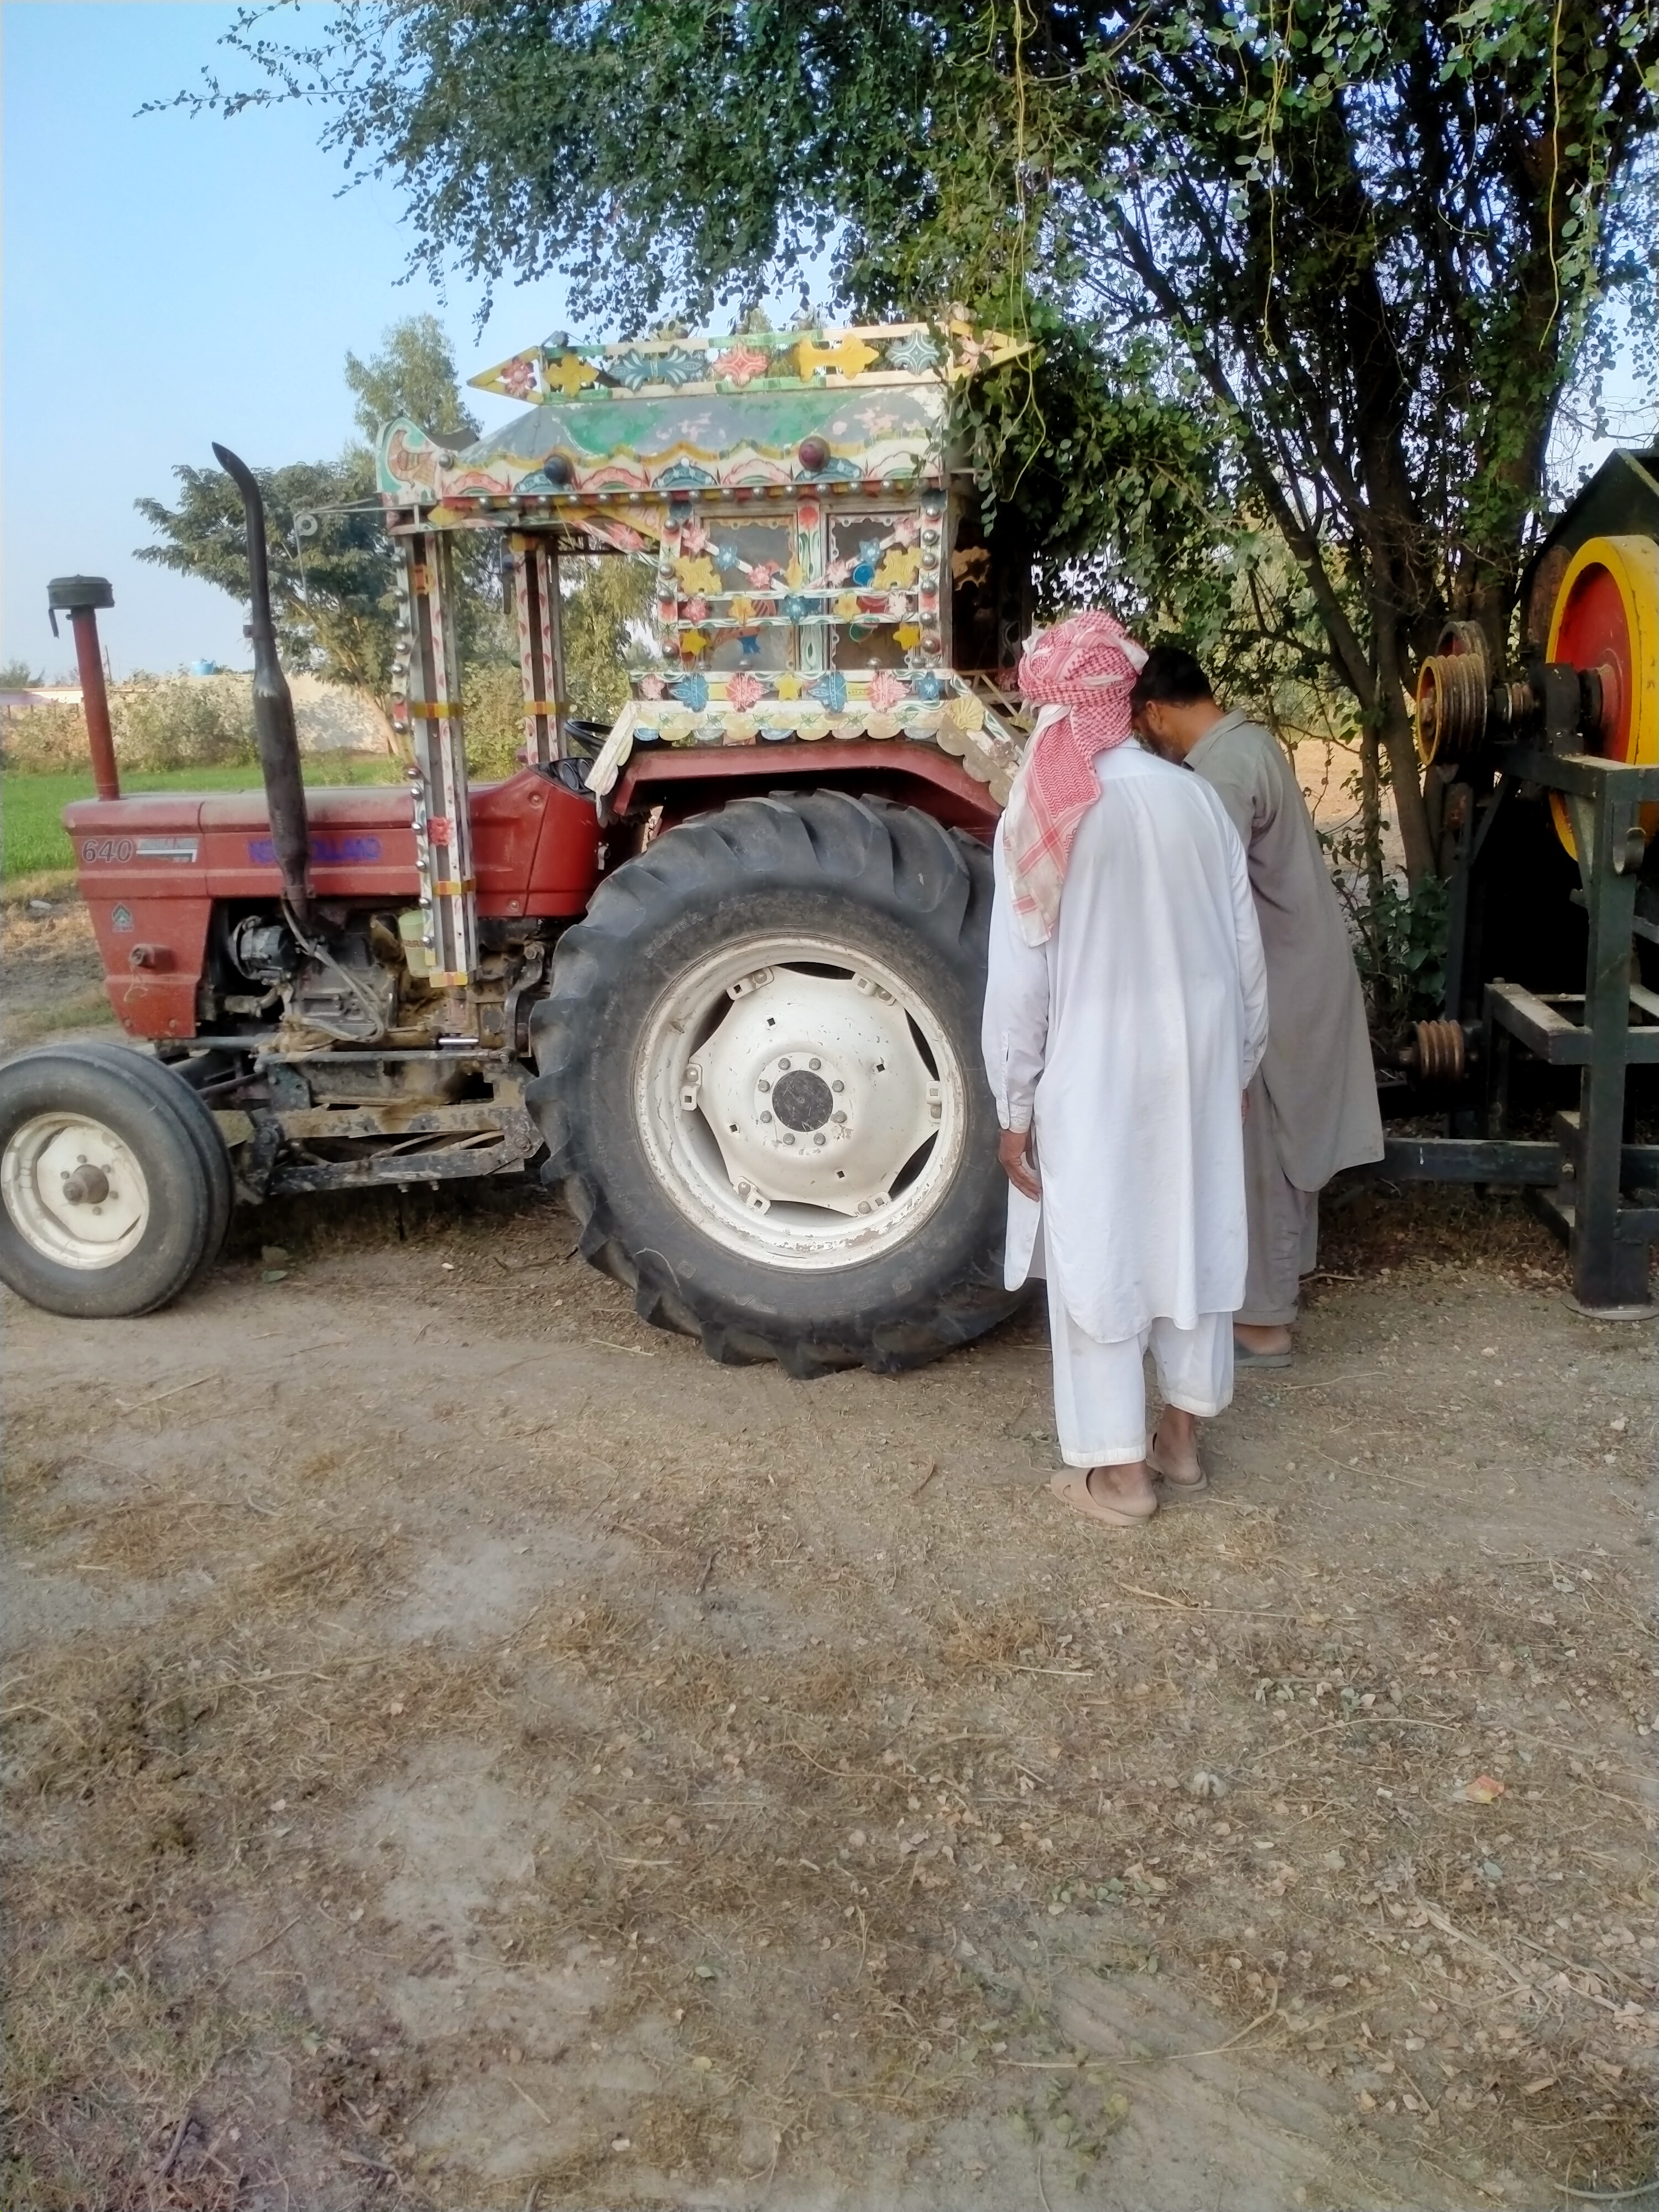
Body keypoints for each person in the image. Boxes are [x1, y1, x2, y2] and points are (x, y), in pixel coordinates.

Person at [983, 612, 1269, 1529]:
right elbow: (1246, 957)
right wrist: (1237, 1069)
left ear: (1059, 708)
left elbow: (1020, 984)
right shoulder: (1196, 800)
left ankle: (1120, 1475)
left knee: (1100, 1252)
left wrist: (1014, 1106)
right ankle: (1180, 1440)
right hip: (1198, 1063)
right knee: (1193, 1236)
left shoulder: (1045, 813)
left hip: (1096, 1070)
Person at [1129, 646, 1384, 1366]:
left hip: (1281, 983)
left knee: (1263, 1150)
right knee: (1277, 1143)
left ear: (1156, 713)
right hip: (1297, 971)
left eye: (1141, 727)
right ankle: (1269, 1297)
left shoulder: (1223, 770)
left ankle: (1264, 1323)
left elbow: (1203, 894)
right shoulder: (1245, 745)